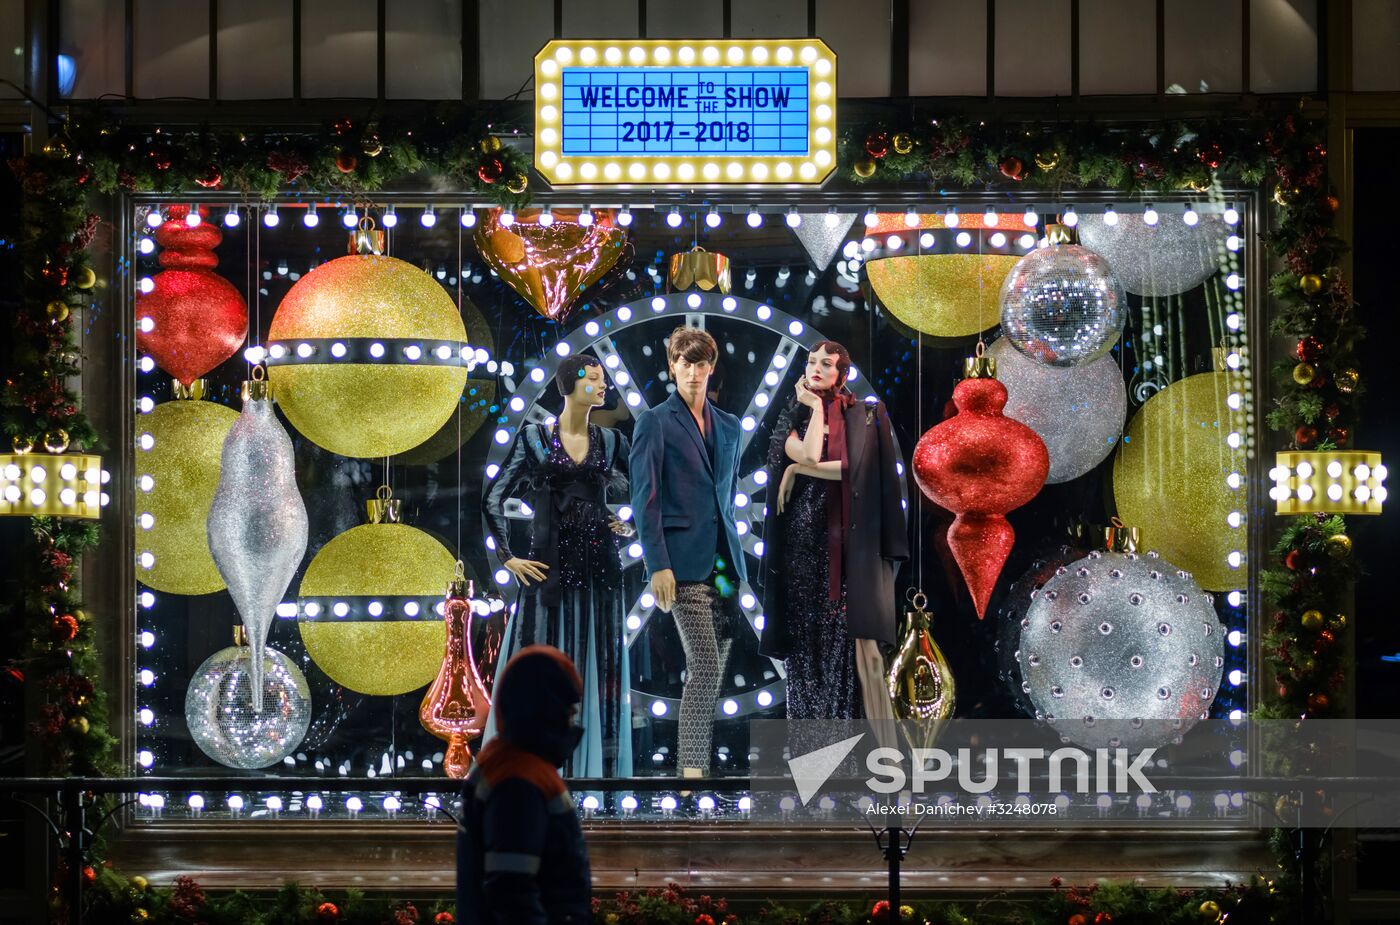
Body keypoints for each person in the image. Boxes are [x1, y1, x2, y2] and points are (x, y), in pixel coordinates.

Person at [483, 354, 634, 778]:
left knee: (599, 663)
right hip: (548, 565)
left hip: (600, 567)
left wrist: (630, 525)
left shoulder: (612, 442)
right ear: (569, 385)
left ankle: (594, 773)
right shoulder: (534, 438)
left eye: (603, 380)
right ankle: (529, 769)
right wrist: (508, 557)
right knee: (540, 662)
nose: (602, 387)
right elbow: (493, 497)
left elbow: (646, 488)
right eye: (593, 379)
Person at [759, 340, 909, 722]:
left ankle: (861, 755)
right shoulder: (792, 417)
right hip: (802, 548)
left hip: (851, 549)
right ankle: (814, 763)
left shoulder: (866, 415)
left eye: (827, 364)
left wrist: (796, 471)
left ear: (842, 374)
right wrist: (812, 409)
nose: (817, 369)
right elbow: (810, 454)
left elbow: (854, 469)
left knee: (853, 650)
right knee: (806, 650)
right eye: (812, 362)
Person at [629, 325, 746, 778]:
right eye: (684, 363)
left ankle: (697, 769)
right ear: (671, 367)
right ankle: (692, 774)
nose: (693, 372)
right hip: (680, 564)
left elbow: (725, 496)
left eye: (701, 364)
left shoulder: (730, 426)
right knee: (703, 666)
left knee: (713, 674)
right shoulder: (654, 421)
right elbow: (645, 498)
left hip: (723, 564)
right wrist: (657, 564)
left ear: (711, 368)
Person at [458, 645, 592, 925]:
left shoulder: (503, 761)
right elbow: (512, 893)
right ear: (545, 710)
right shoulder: (519, 779)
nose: (571, 722)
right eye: (567, 711)